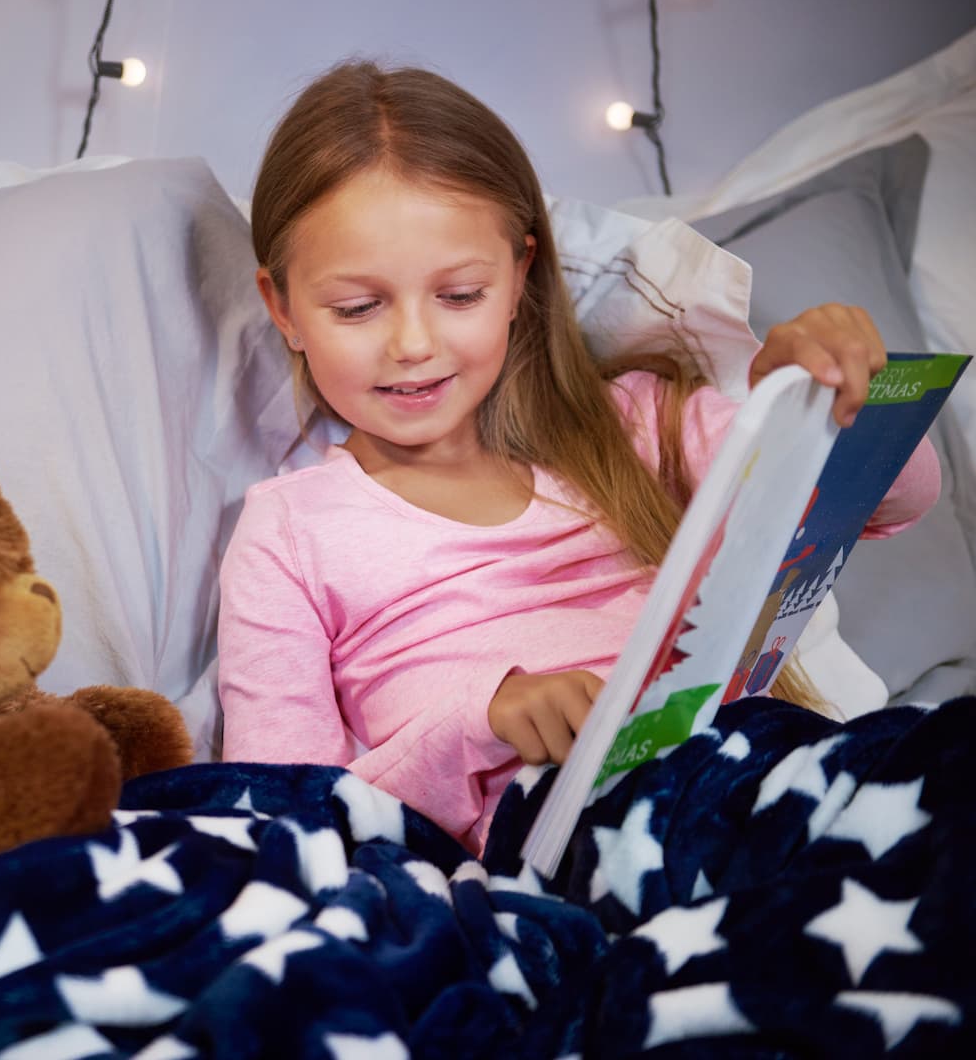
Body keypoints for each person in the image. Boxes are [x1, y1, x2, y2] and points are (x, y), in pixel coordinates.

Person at [216, 61, 940, 854]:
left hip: (768, 776)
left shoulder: (634, 425)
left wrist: (827, 399)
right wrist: (480, 724)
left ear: (521, 275)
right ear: (282, 307)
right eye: (357, 308)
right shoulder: (288, 533)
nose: (413, 344)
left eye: (459, 295)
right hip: (576, 850)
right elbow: (281, 819)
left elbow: (887, 498)